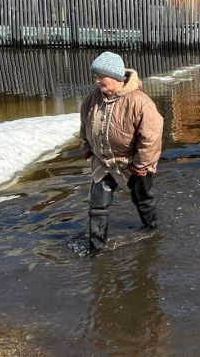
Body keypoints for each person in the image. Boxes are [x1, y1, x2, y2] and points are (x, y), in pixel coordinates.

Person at [80, 51, 164, 251]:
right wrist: (86, 146)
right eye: (96, 76)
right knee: (97, 205)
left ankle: (151, 229)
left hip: (134, 162)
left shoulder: (140, 101)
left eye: (101, 76)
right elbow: (85, 124)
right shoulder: (93, 99)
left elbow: (151, 137)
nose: (97, 81)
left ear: (116, 77)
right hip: (104, 161)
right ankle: (96, 248)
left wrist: (142, 165)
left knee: (143, 200)